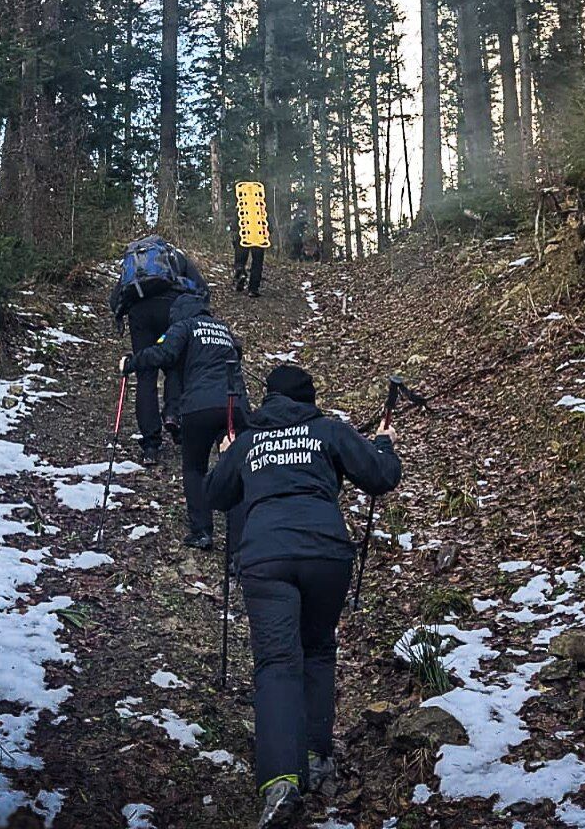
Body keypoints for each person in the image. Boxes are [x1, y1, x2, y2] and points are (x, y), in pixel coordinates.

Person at [205, 365, 401, 828]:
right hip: (326, 556)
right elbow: (380, 476)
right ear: (309, 398)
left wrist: (227, 453)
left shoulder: (251, 441)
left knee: (276, 663)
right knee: (316, 650)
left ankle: (280, 779)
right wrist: (384, 441)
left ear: (269, 400)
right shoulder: (327, 431)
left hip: (265, 557)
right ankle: (316, 754)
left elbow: (216, 494)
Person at [121, 293, 249, 549]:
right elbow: (238, 351)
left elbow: (164, 354)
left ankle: (202, 531)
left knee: (194, 468)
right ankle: (240, 547)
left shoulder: (184, 326)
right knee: (236, 471)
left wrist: (131, 363)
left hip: (199, 407)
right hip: (235, 405)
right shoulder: (222, 328)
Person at [109, 236, 208, 466]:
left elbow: (115, 299)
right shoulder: (176, 255)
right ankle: (173, 415)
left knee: (146, 374)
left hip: (140, 315)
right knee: (174, 363)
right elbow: (201, 288)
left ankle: (151, 444)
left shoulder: (134, 263)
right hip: (171, 310)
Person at [233, 182, 268, 298]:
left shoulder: (241, 205)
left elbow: (235, 223)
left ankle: (240, 271)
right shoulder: (261, 205)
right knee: (257, 262)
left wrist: (234, 230)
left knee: (240, 257)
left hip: (244, 233)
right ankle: (253, 288)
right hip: (259, 234)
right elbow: (267, 222)